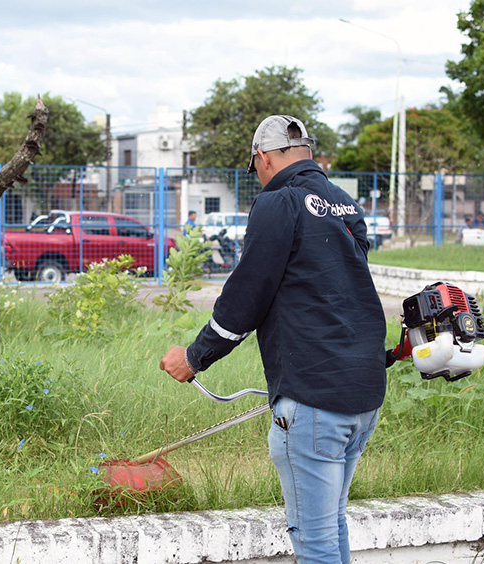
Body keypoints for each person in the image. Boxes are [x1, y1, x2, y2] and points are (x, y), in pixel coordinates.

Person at [159, 115, 386, 564]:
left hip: (315, 400)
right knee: (332, 525)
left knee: (315, 542)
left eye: (257, 167)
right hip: (364, 397)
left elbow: (246, 296)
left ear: (262, 158)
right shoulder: (343, 202)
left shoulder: (279, 201)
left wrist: (194, 357)